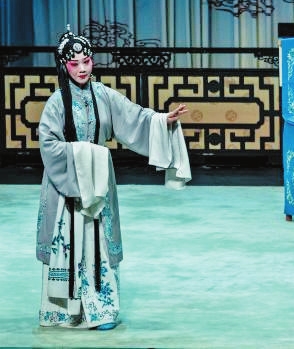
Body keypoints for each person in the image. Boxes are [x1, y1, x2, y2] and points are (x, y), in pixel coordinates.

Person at [36, 26, 191, 330]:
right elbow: (49, 144)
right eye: (74, 64)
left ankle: (102, 310)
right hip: (66, 186)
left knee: (99, 244)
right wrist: (84, 155)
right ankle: (65, 311)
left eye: (86, 61)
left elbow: (135, 117)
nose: (82, 69)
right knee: (69, 243)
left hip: (97, 183)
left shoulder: (103, 95)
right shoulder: (56, 102)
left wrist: (163, 120)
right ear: (64, 66)